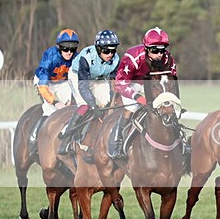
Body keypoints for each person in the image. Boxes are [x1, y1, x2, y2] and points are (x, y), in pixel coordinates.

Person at [109, 27, 177, 160]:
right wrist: (137, 97)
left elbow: (172, 78)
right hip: (132, 83)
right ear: (146, 49)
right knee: (132, 108)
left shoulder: (167, 58)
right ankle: (116, 141)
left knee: (169, 108)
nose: (159, 54)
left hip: (153, 84)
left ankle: (180, 141)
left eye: (162, 50)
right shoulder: (132, 57)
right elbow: (120, 83)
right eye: (154, 50)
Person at [58, 29, 121, 156]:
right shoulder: (86, 57)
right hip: (79, 77)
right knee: (85, 105)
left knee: (106, 103)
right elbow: (83, 87)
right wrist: (93, 105)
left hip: (98, 77)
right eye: (106, 50)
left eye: (113, 50)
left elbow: (115, 82)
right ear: (98, 49)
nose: (110, 54)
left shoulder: (116, 59)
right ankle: (66, 138)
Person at [29, 28, 79, 152]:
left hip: (62, 82)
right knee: (50, 110)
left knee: (72, 107)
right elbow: (43, 85)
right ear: (58, 47)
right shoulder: (50, 56)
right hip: (44, 83)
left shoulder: (77, 58)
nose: (69, 52)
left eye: (72, 48)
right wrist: (55, 102)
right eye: (65, 48)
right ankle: (35, 137)